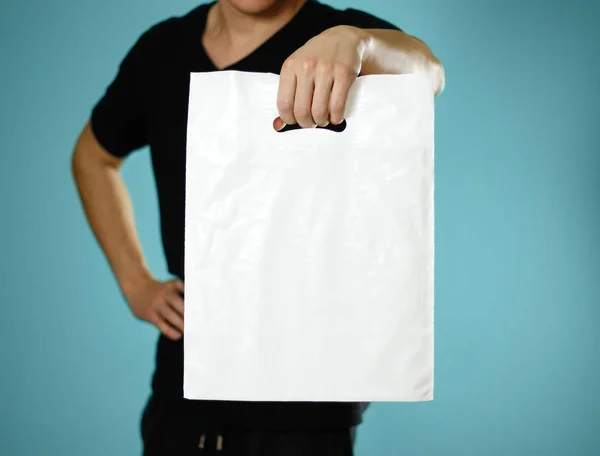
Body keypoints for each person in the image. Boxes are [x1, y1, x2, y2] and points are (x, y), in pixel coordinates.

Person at [71, 0, 444, 454]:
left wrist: (359, 44)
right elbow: (93, 157)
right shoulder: (163, 50)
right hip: (184, 389)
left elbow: (429, 72)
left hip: (307, 405)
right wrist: (136, 283)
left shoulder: (341, 34)